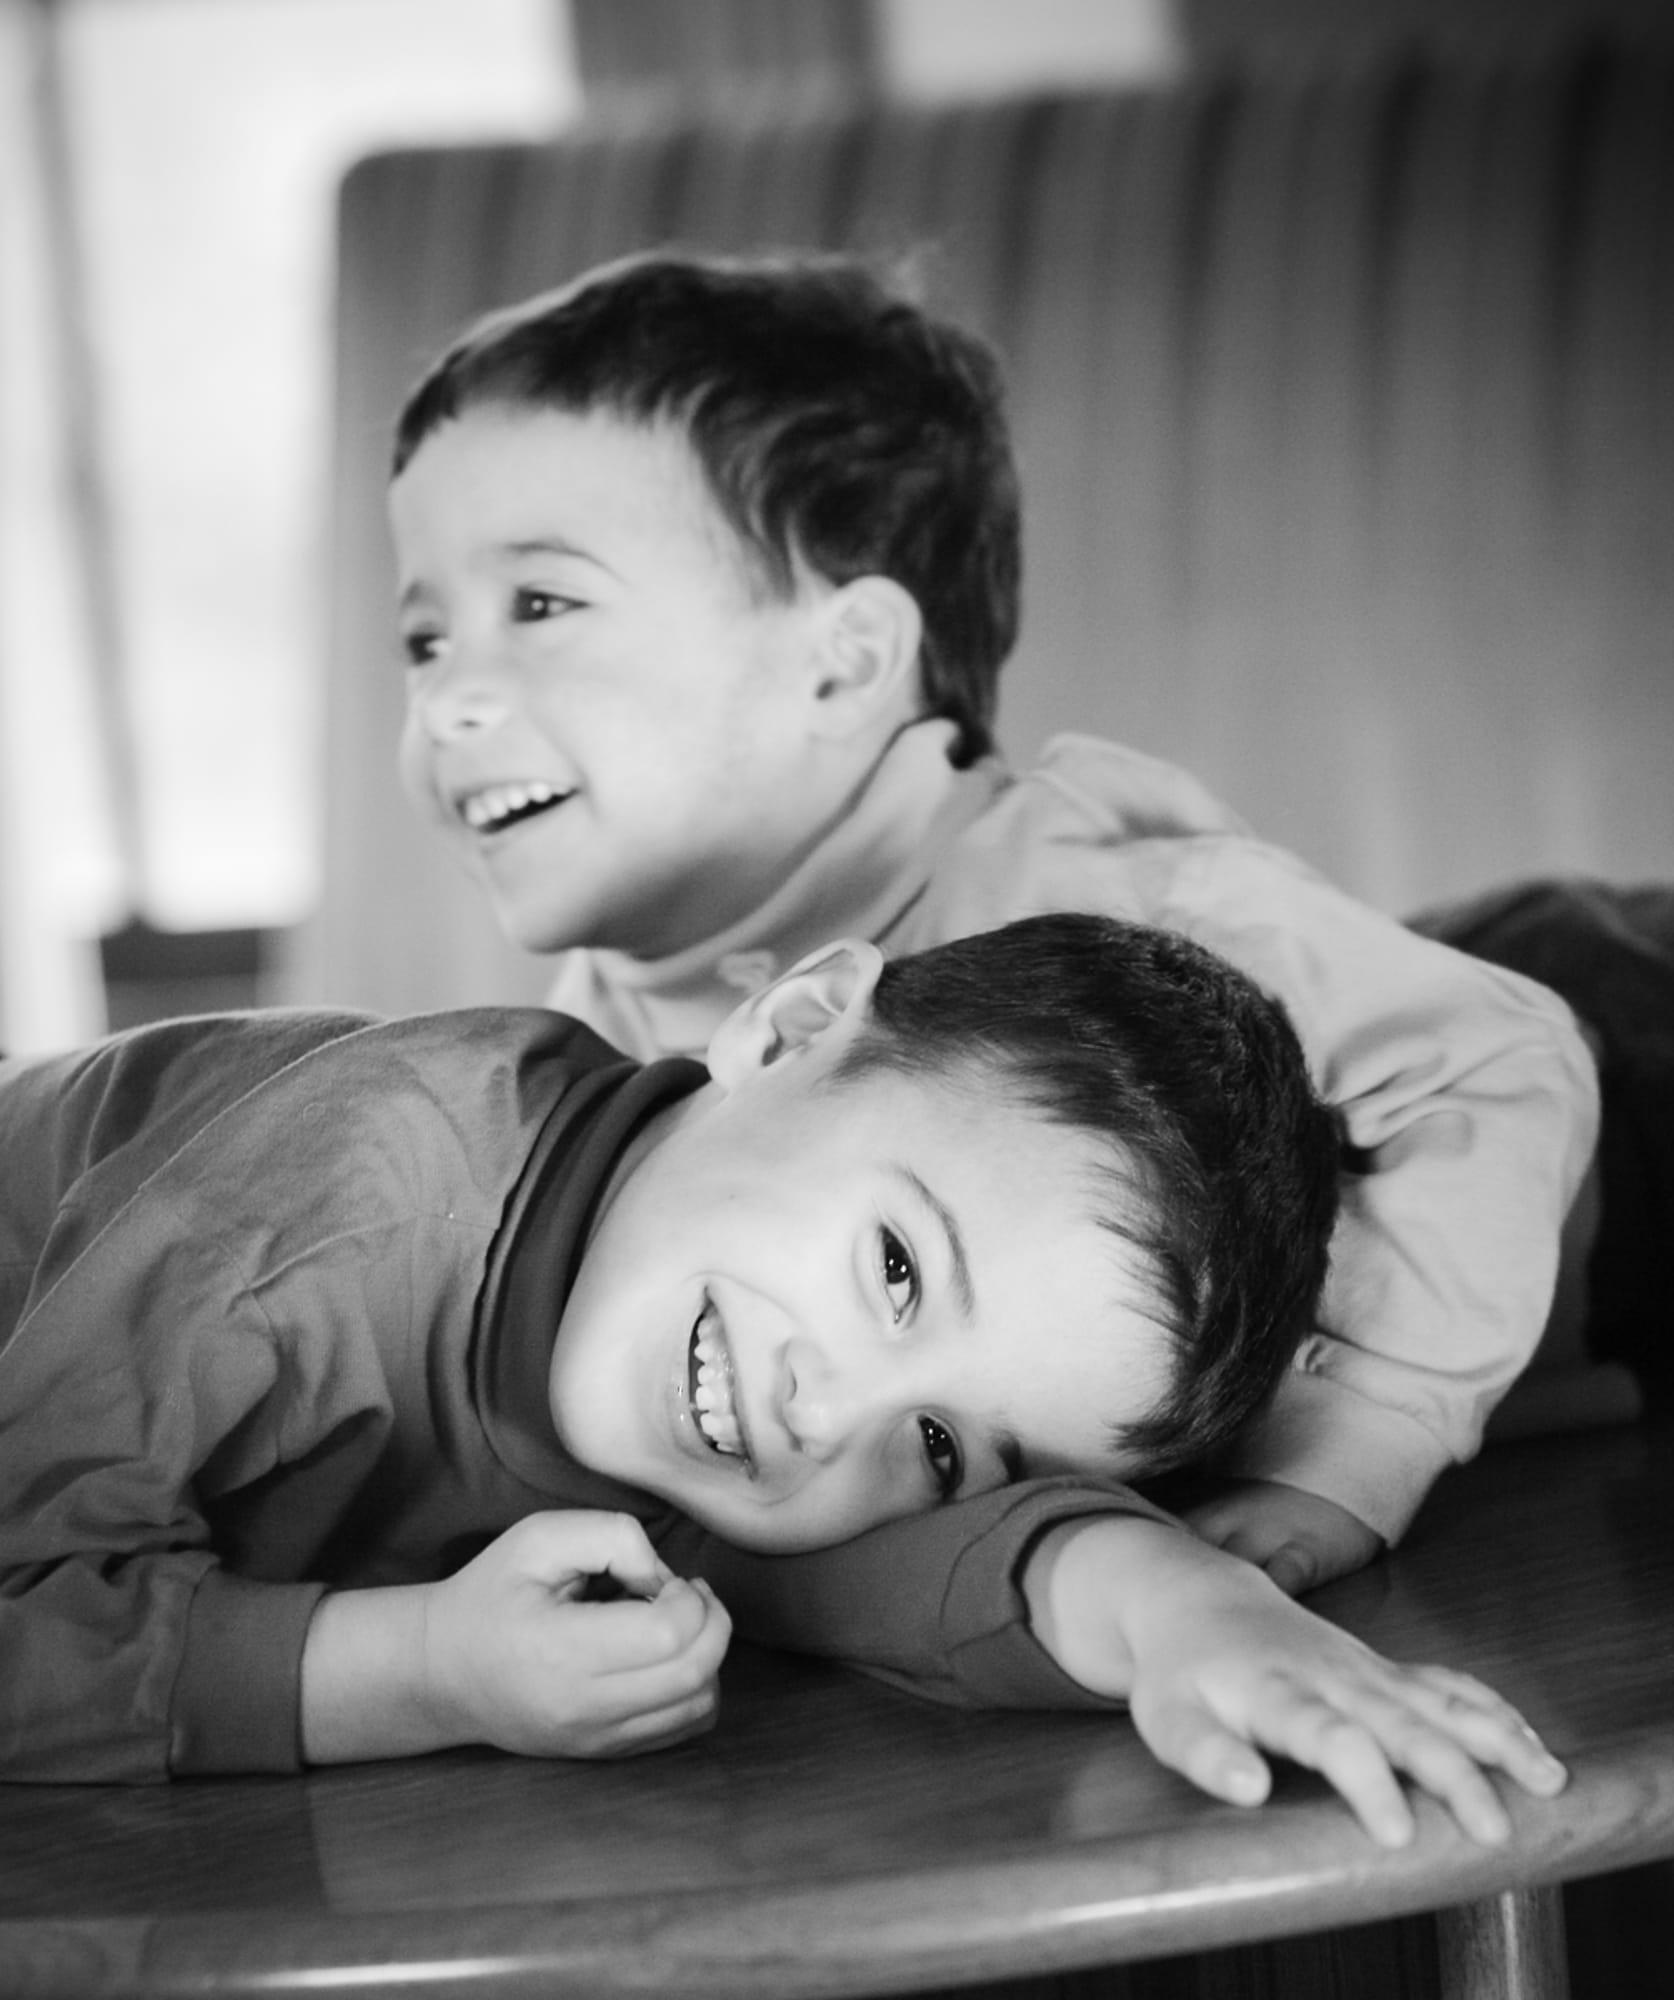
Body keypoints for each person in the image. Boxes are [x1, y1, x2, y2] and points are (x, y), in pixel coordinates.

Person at [387, 247, 1603, 1606]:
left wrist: (1355, 1441)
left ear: (842, 664)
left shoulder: (1102, 904)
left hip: (1609, 1065)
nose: (446, 700)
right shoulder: (565, 1070)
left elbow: (1502, 1061)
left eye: (540, 605)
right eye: (424, 639)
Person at [0, 915, 1565, 1846]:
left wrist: (1193, 1613)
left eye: (943, 1440)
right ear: (792, 1023)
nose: (833, 1415)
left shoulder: (730, 1393)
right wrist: (418, 1668)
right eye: (895, 1268)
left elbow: (935, 1567)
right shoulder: (328, 1209)